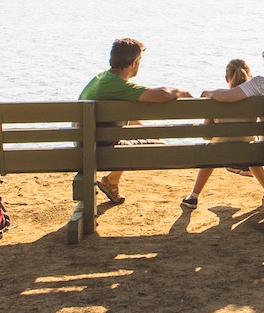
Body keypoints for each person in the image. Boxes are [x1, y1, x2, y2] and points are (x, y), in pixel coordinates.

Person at [182, 35, 264, 210]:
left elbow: (228, 96)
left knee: (263, 145)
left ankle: (194, 195)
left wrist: (208, 92)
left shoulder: (259, 84)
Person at [80, 37, 191, 204]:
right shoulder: (117, 85)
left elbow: (131, 119)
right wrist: (182, 92)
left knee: (145, 140)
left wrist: (150, 136)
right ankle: (110, 181)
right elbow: (162, 95)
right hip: (101, 152)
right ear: (133, 63)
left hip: (83, 146)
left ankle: (111, 182)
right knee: (162, 148)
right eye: (140, 60)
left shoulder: (103, 78)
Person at [180, 58, 264, 210]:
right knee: (251, 148)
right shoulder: (255, 100)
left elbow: (207, 135)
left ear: (227, 79)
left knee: (211, 150)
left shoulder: (215, 100)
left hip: (218, 152)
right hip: (249, 151)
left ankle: (194, 196)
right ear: (249, 78)